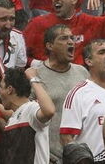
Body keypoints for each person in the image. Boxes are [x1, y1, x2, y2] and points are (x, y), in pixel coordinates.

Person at [37, 24, 90, 163]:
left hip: (80, 157)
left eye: (72, 38)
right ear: (50, 46)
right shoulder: (36, 76)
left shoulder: (83, 72)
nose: (71, 42)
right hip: (49, 157)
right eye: (64, 38)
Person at [0, 66, 56, 163]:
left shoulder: (31, 109)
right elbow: (10, 114)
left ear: (10, 89)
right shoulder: (15, 117)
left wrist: (33, 79)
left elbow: (49, 111)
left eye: (1, 87)